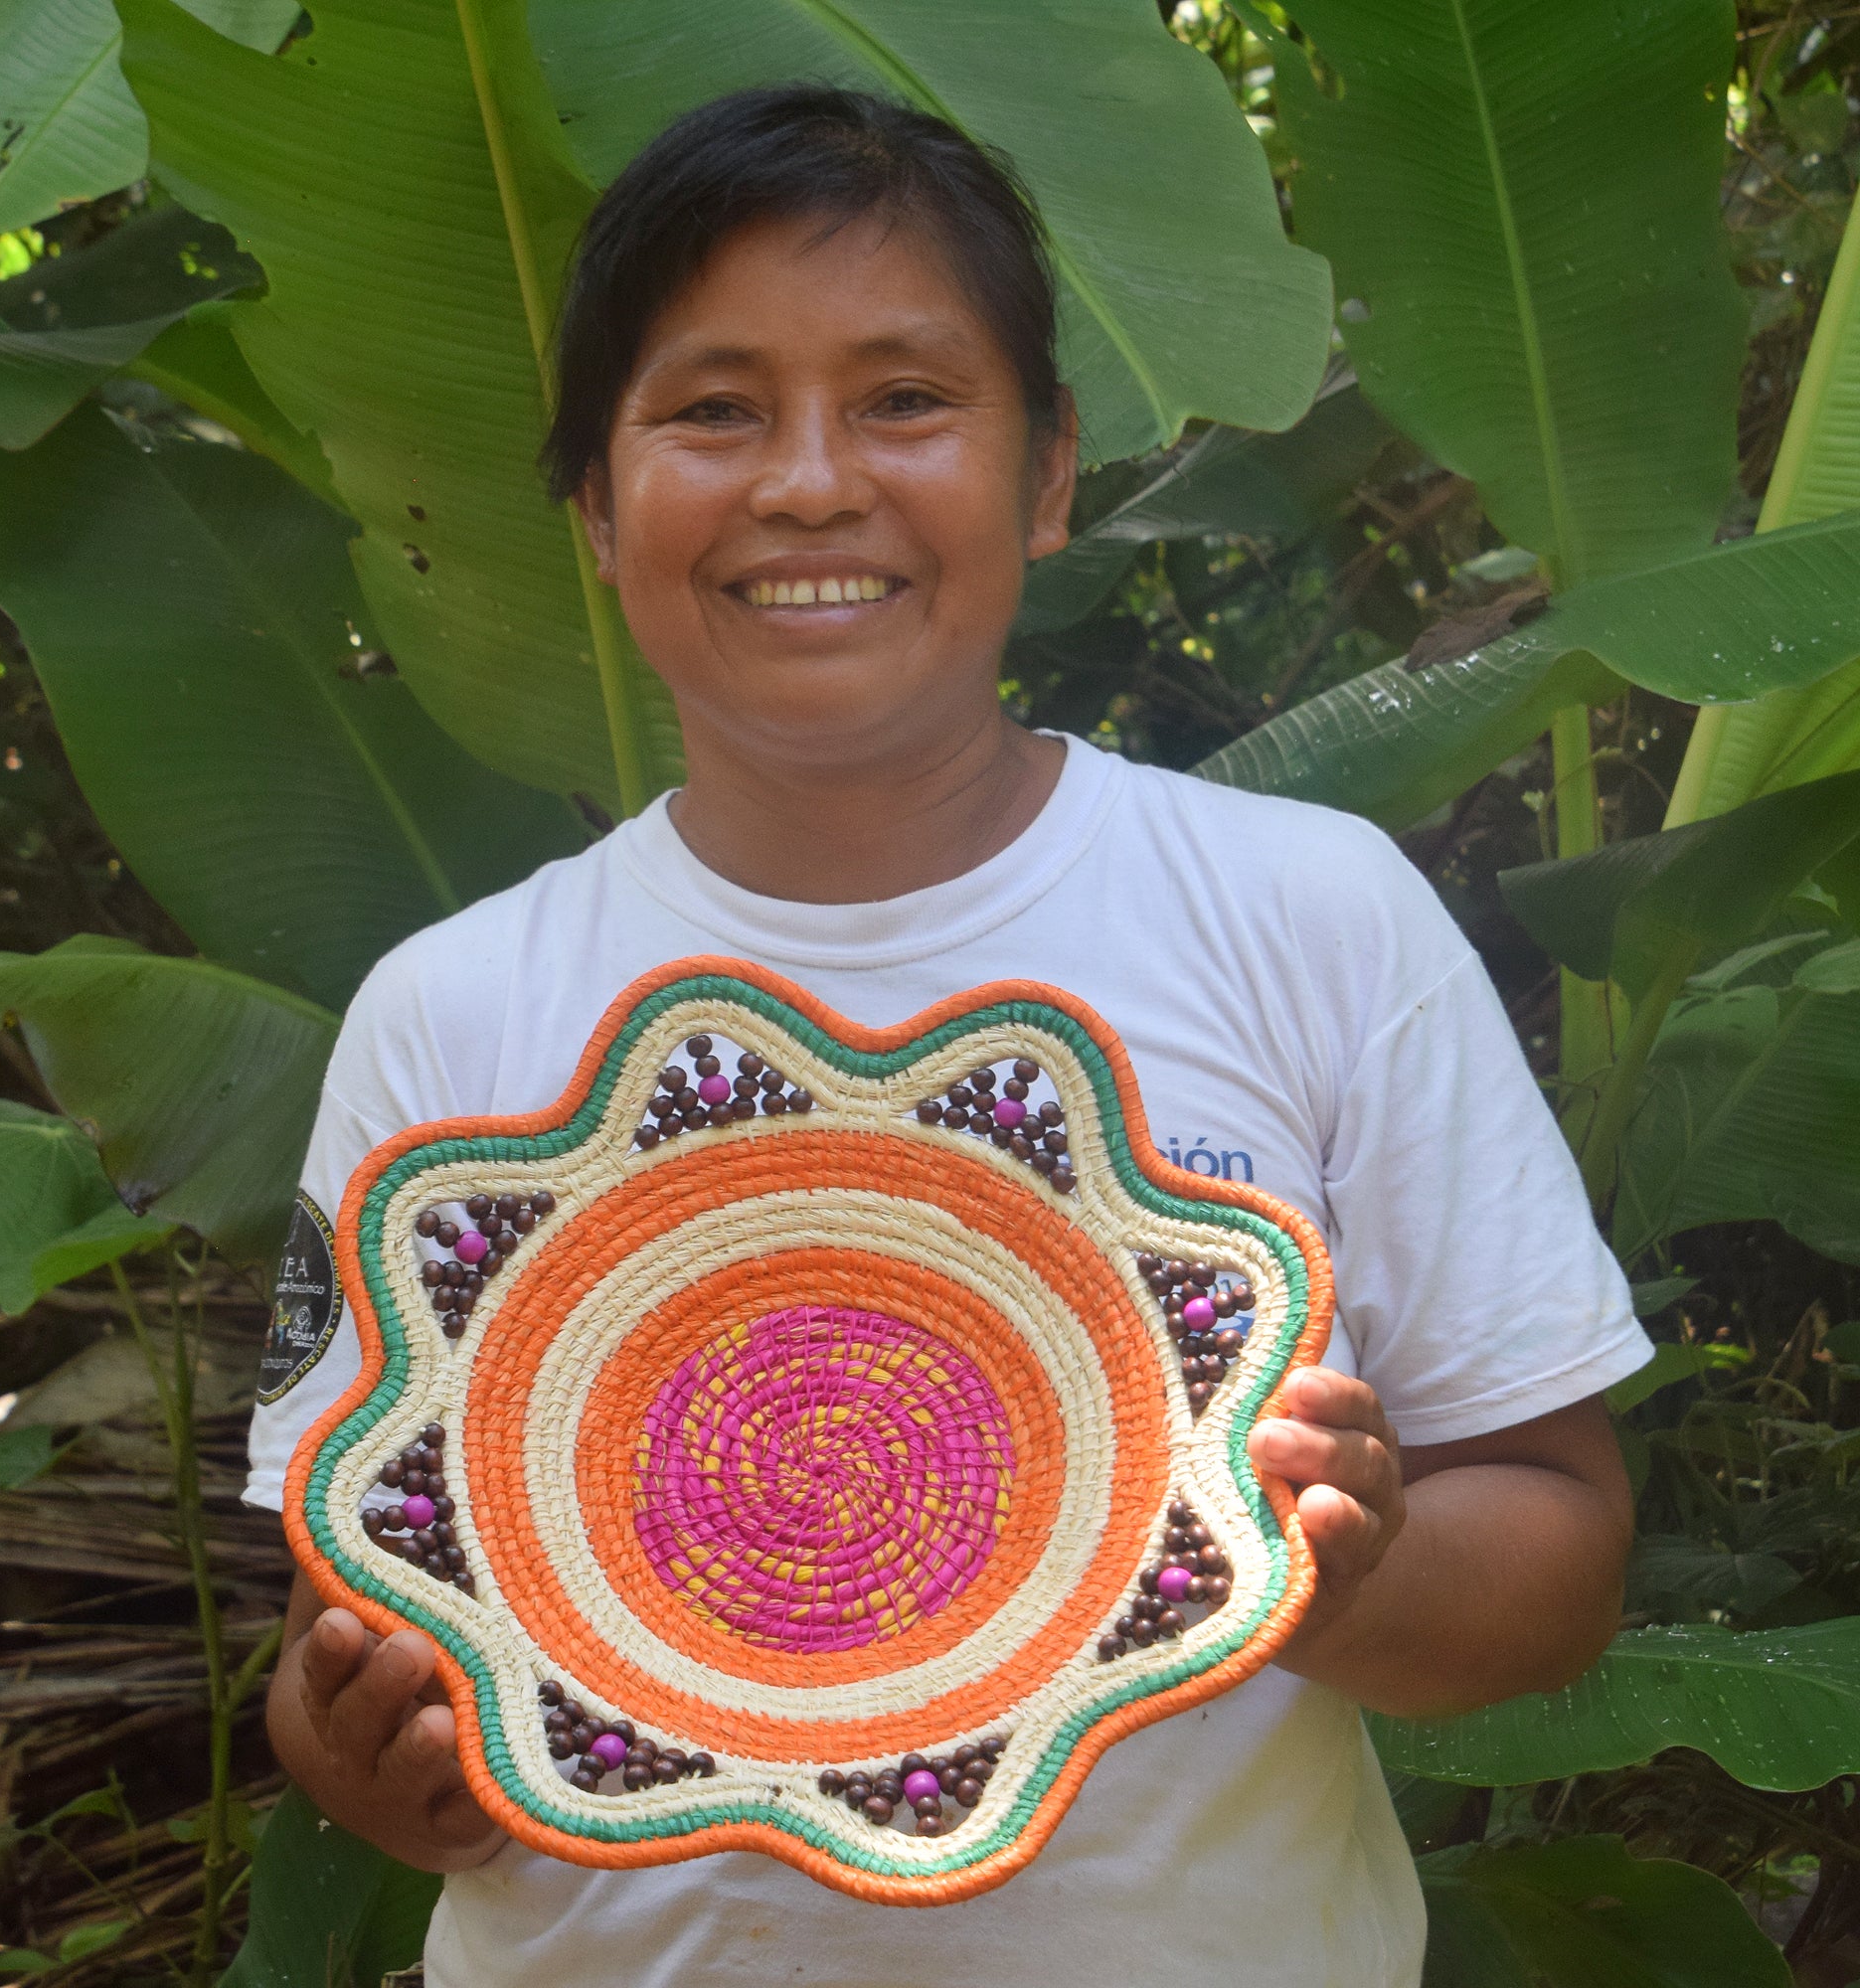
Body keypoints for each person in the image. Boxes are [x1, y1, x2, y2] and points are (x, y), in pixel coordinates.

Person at [245, 84, 1647, 1986]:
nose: (811, 481)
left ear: (1049, 473)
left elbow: (1558, 1549)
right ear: (592, 501)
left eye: (905, 398)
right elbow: (369, 1628)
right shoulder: (443, 1021)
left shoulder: (1309, 915)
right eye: (712, 408)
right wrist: (374, 1760)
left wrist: (1338, 1570)